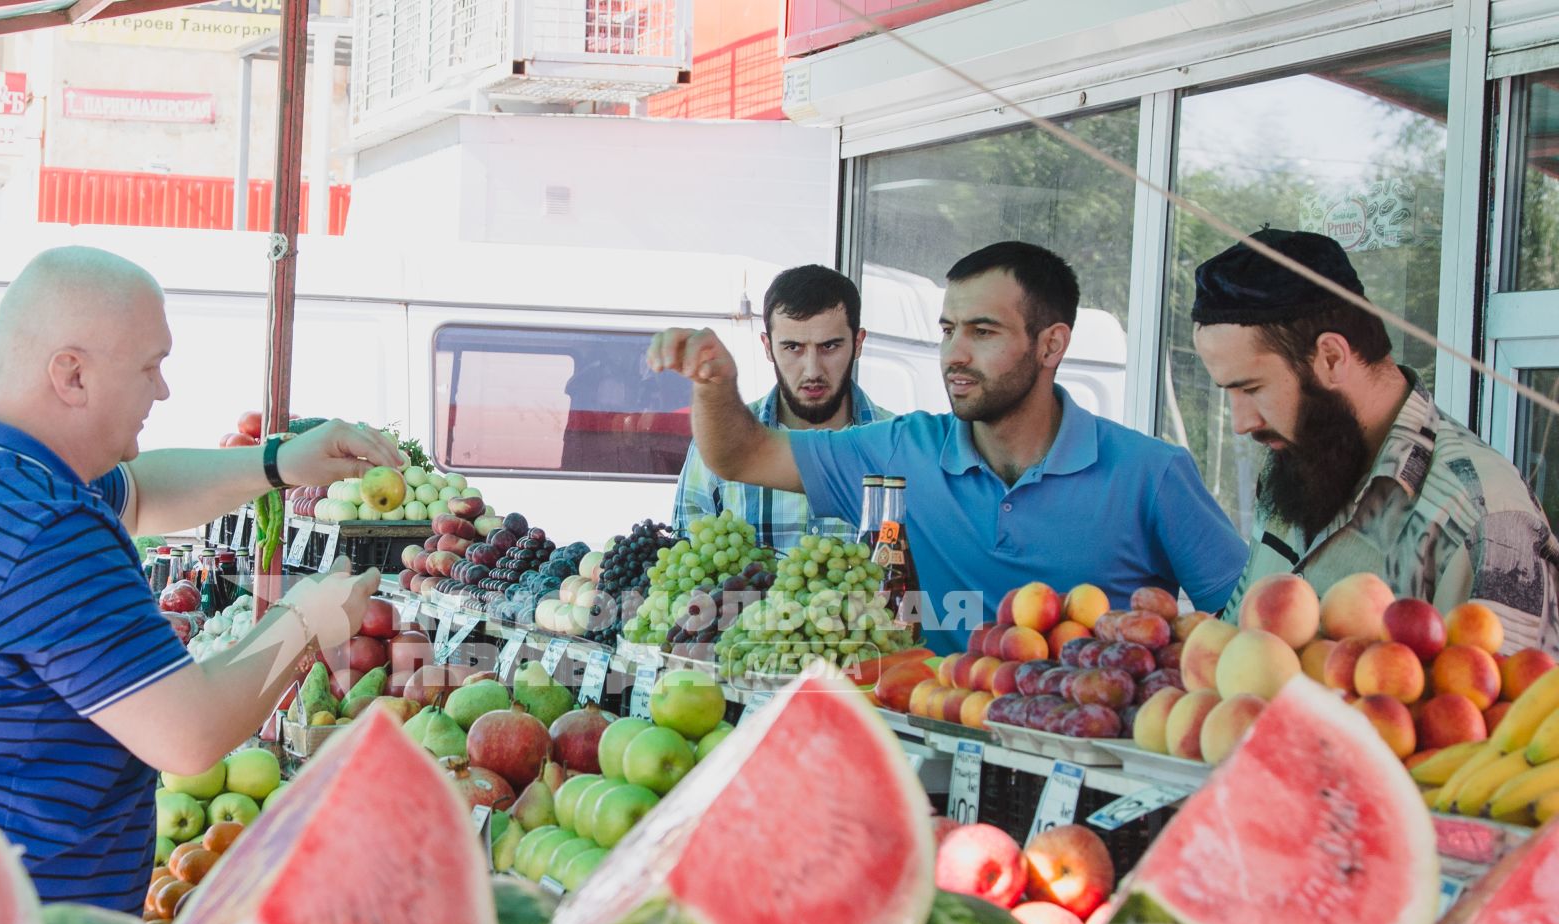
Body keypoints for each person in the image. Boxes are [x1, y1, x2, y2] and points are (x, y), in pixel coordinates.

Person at [0, 246, 405, 910]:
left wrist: (279, 462)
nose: (162, 390)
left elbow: (139, 494)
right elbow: (188, 735)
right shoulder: (45, 530)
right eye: (149, 367)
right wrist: (308, 617)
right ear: (72, 376)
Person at [650, 242, 1248, 651]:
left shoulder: (1152, 475)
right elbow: (742, 454)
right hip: (935, 775)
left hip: (1084, 789)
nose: (954, 355)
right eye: (947, 330)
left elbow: (1249, 635)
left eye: (982, 332)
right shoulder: (901, 449)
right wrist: (714, 384)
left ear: (1051, 344)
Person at [1192, 229, 1559, 652]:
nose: (1240, 423)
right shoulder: (1296, 461)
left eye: (1251, 389)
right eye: (1229, 393)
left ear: (1331, 357)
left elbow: (1516, 710)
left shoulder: (1482, 516)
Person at [672, 264, 893, 550]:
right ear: (767, 346)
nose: (812, 369)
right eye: (793, 348)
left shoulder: (895, 444)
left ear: (858, 343)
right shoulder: (717, 440)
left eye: (829, 347)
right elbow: (685, 570)